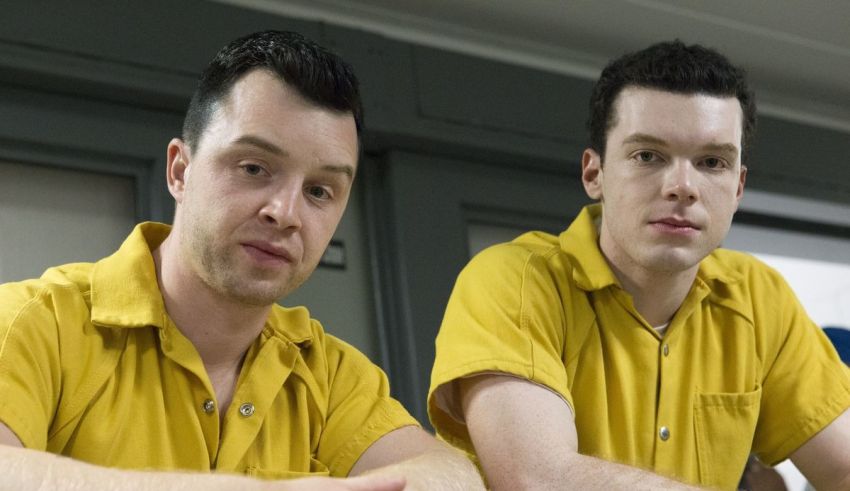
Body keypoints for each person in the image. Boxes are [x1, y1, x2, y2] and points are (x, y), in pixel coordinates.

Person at [0, 30, 483, 490]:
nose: (285, 213)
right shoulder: (34, 324)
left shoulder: (329, 374)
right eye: (254, 168)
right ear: (180, 171)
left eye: (319, 191)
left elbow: (454, 477)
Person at [428, 40, 850, 490]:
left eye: (712, 162)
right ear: (595, 174)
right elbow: (539, 479)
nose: (683, 186)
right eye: (648, 156)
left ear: (738, 186)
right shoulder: (514, 281)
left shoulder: (758, 296)